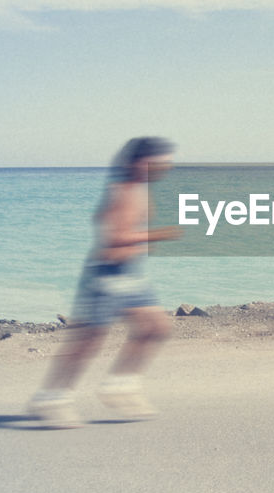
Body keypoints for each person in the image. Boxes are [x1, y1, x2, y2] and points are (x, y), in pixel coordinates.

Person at [27, 137, 182, 427]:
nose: (167, 166)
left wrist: (142, 242)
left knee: (157, 327)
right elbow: (114, 237)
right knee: (88, 342)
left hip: (131, 275)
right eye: (161, 160)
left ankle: (120, 387)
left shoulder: (139, 190)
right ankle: (50, 397)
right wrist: (155, 235)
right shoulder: (122, 190)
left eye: (168, 161)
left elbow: (102, 219)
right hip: (107, 275)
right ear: (140, 162)